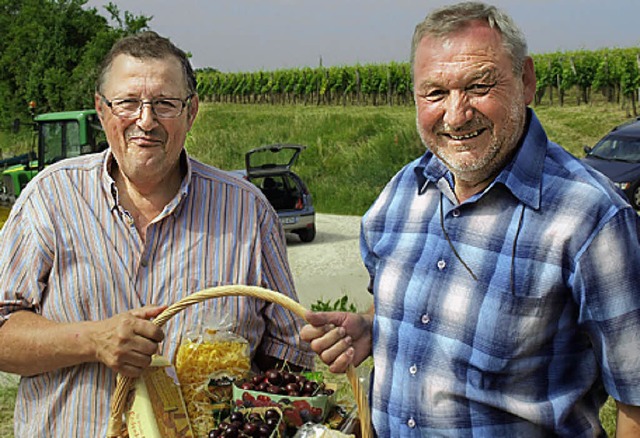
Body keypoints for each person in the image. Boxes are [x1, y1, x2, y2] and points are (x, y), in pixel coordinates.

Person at [301, 2, 640, 436]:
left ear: (526, 80)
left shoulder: (590, 218)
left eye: (479, 86)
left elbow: (636, 399)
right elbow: (399, 301)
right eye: (435, 93)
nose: (456, 115)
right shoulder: (403, 192)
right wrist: (371, 325)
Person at [0, 31, 313, 437]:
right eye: (128, 103)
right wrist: (93, 340)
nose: (145, 121)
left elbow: (290, 357)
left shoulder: (247, 211)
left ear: (191, 111)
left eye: (164, 104)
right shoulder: (50, 197)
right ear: (101, 109)